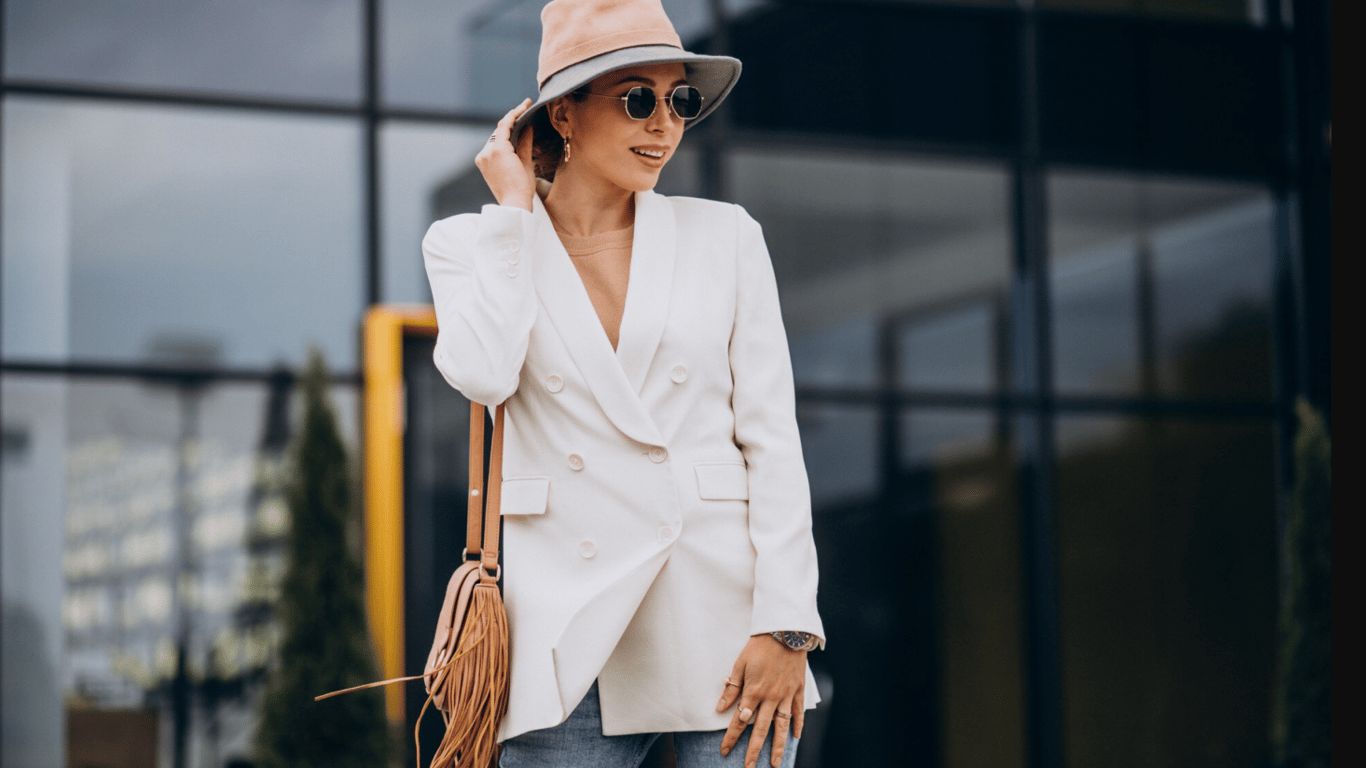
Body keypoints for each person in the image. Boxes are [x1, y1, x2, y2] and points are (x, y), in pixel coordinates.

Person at [422, 2, 824, 766]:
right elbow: (483, 374)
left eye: (680, 100)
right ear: (564, 113)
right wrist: (513, 213)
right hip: (565, 632)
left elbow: (772, 441)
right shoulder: (472, 243)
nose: (664, 125)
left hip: (724, 622)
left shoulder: (726, 237)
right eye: (638, 98)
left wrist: (788, 625)